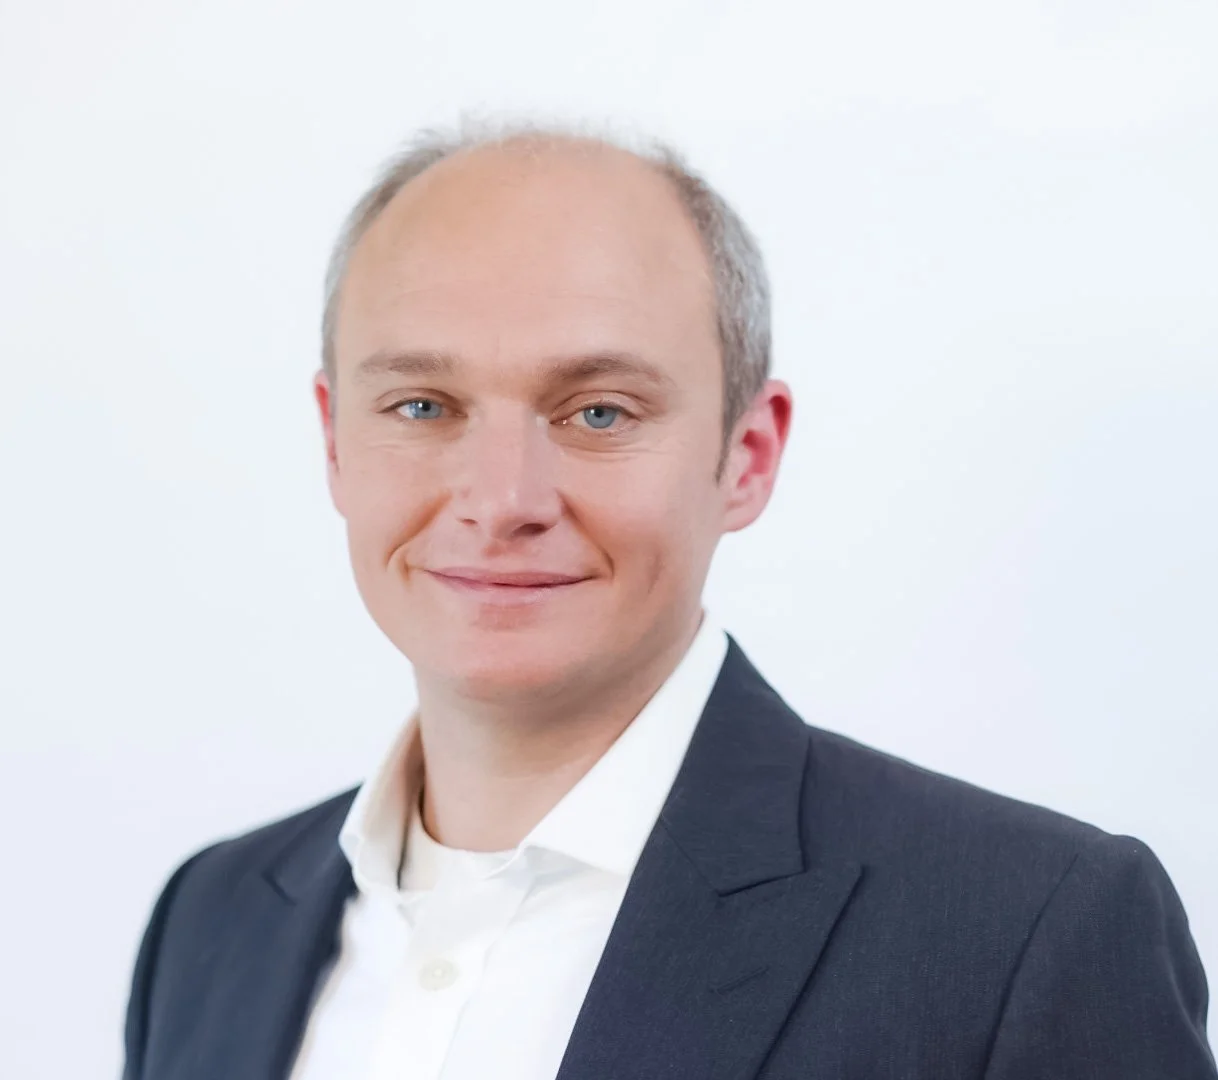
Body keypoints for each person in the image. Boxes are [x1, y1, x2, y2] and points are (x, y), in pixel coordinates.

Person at [121, 122, 1215, 1080]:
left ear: (747, 455)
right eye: (421, 404)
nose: (502, 500)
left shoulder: (1027, 931)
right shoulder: (213, 919)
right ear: (332, 443)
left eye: (597, 413)